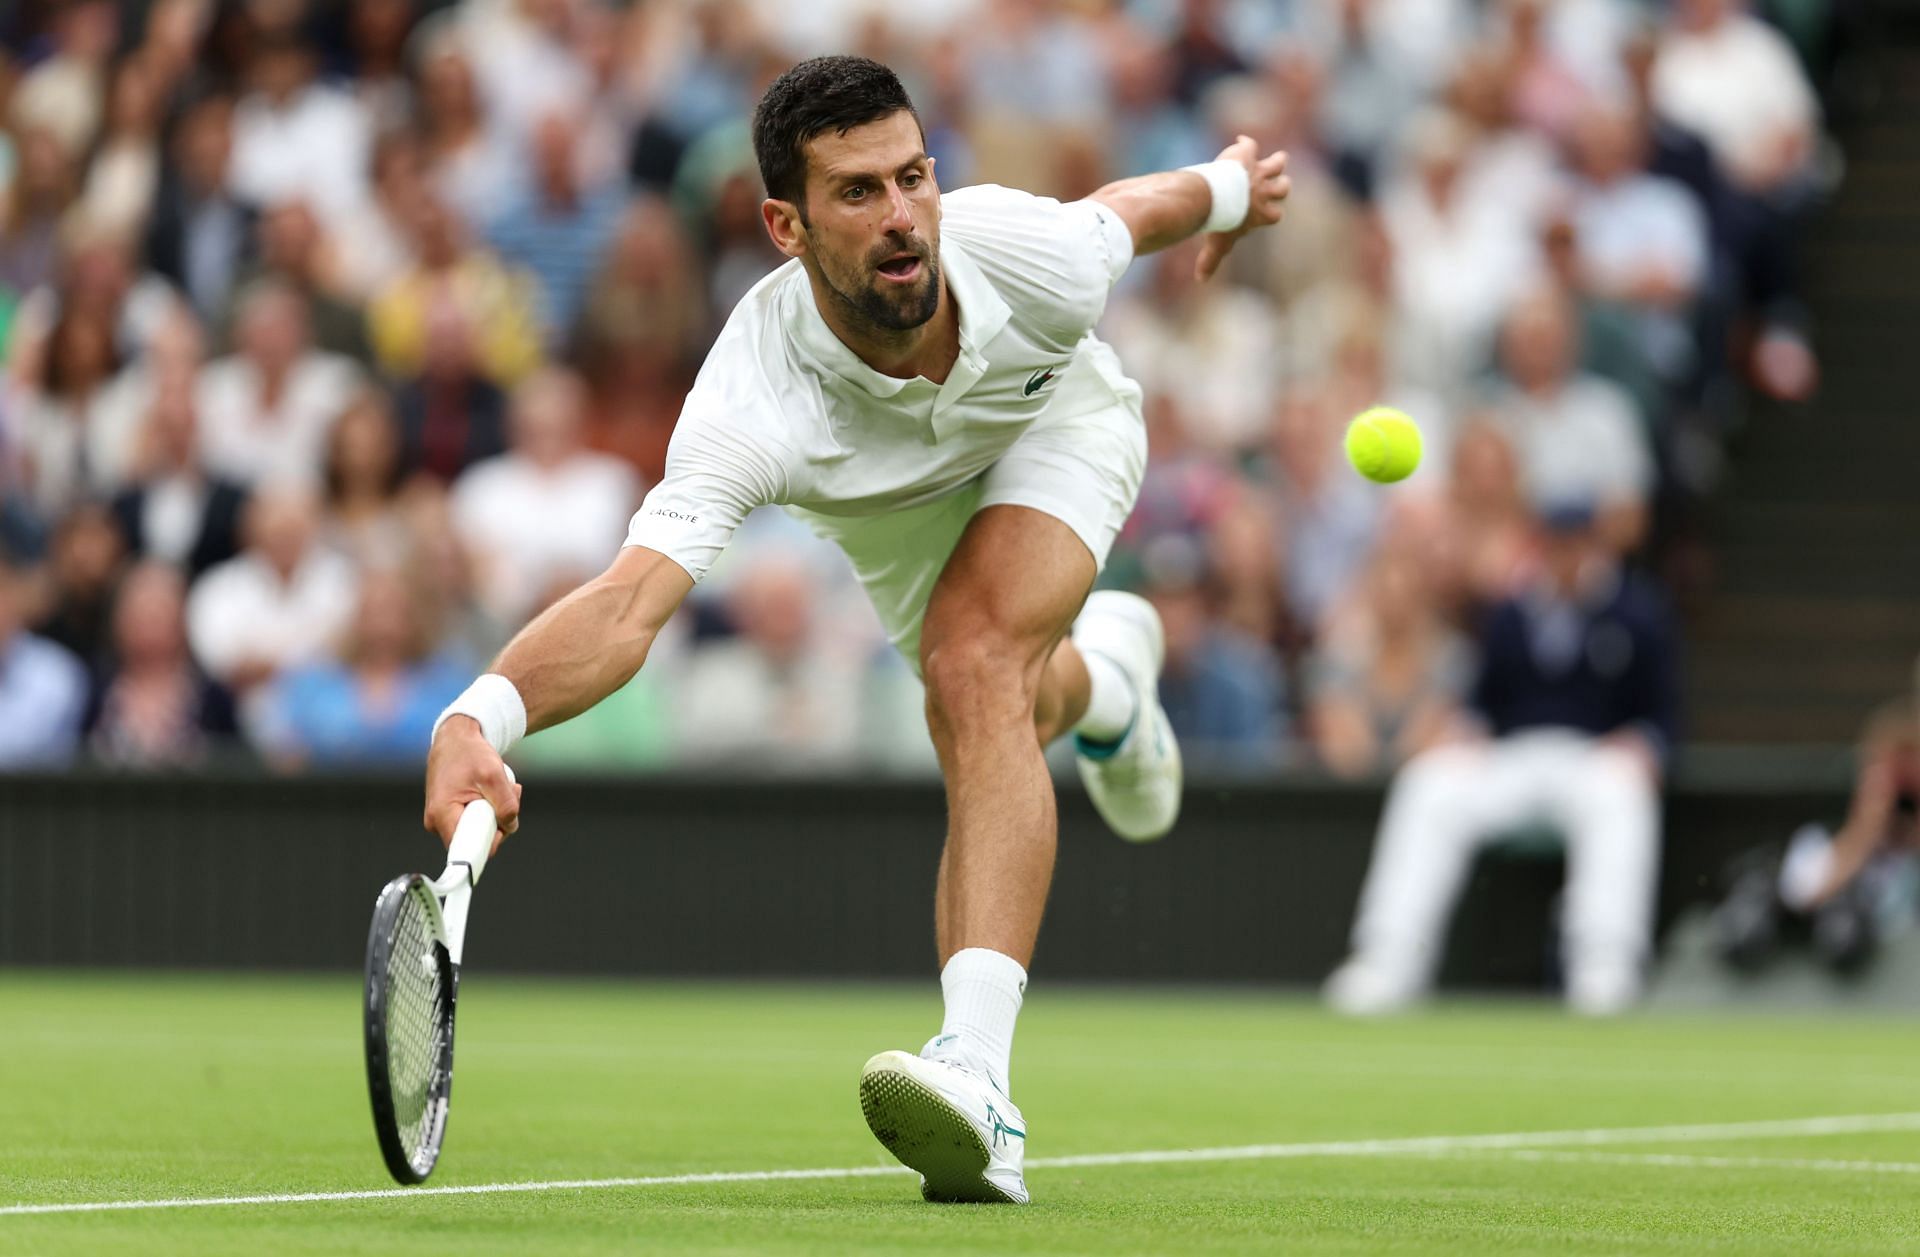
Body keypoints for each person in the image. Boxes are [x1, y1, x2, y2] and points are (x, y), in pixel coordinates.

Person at [421, 56, 1289, 1205]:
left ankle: (978, 1078)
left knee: (973, 666)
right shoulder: (752, 395)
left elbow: (1131, 211)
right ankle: (1113, 686)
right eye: (858, 194)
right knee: (1005, 700)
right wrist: (477, 716)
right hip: (899, 526)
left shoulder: (1025, 253)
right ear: (784, 223)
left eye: (913, 177)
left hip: (1055, 434)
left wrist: (1230, 193)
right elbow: (631, 602)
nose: (902, 219)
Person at [1326, 499, 1678, 1016]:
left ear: (1594, 546)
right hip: (1513, 758)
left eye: (1576, 543)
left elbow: (1664, 713)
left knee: (1621, 791)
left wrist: (1647, 743)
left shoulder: (1638, 610)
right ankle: (1388, 959)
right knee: (1429, 782)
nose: (1565, 556)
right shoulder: (1510, 612)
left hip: (1593, 760)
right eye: (1556, 543)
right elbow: (1484, 703)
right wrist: (1464, 732)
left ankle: (1604, 966)